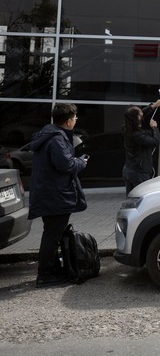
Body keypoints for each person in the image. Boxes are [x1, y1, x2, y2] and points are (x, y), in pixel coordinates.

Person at [28, 103, 88, 288]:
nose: (76, 120)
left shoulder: (51, 134)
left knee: (53, 233)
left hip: (51, 194)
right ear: (69, 120)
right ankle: (45, 275)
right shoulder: (56, 139)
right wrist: (81, 162)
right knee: (52, 236)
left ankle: (53, 269)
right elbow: (66, 165)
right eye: (75, 117)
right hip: (55, 196)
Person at [122, 99, 160, 194]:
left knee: (131, 198)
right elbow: (155, 142)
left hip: (129, 169)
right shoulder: (137, 135)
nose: (142, 113)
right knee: (140, 198)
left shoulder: (126, 127)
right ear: (136, 118)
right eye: (140, 113)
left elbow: (139, 114)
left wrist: (152, 106)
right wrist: (154, 128)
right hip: (139, 172)